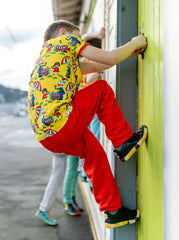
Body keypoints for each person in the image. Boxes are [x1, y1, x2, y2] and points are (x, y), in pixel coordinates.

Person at [28, 20, 147, 228]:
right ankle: (123, 141)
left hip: (47, 137)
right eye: (77, 37)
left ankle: (114, 211)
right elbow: (108, 57)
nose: (79, 44)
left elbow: (103, 63)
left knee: (94, 153)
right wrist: (136, 41)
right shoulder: (63, 43)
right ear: (63, 33)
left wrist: (131, 52)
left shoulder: (48, 59)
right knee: (100, 89)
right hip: (61, 123)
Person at [35, 29, 105, 225]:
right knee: (64, 170)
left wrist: (96, 34)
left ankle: (65, 201)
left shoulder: (58, 64)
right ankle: (59, 203)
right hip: (64, 126)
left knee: (67, 170)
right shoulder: (72, 62)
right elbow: (77, 42)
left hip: (53, 128)